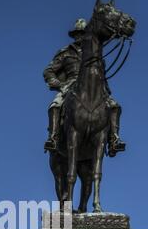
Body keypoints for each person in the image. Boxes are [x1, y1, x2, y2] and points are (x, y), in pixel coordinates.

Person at [43, 18, 126, 157]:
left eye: (83, 34)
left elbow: (102, 76)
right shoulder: (65, 52)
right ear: (74, 35)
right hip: (70, 85)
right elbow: (48, 71)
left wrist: (105, 90)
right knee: (55, 105)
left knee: (115, 106)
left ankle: (114, 139)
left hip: (95, 88)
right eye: (78, 34)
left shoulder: (96, 55)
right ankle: (53, 137)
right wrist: (59, 85)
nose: (80, 37)